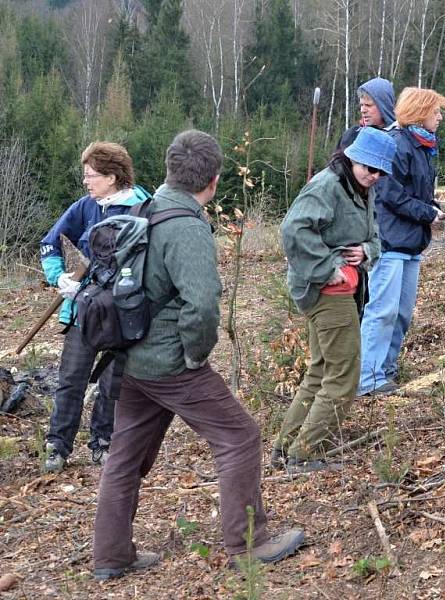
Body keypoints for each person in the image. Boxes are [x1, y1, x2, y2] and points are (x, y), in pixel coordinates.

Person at [93, 131, 304, 581]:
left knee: (125, 455)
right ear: (212, 181)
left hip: (131, 359)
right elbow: (202, 303)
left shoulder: (146, 209)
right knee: (240, 437)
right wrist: (195, 355)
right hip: (169, 364)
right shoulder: (186, 226)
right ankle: (248, 545)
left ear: (171, 170)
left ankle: (110, 555)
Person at [274, 128, 396, 474]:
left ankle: (286, 448)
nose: (374, 176)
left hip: (345, 290)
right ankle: (305, 454)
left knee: (322, 371)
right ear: (352, 157)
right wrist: (329, 268)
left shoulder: (360, 189)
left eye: (380, 172)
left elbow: (374, 237)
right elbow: (292, 231)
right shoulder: (327, 185)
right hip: (328, 293)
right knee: (344, 376)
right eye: (369, 168)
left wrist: (367, 251)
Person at [40, 142, 148, 473]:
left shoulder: (142, 207)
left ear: (112, 176)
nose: (86, 182)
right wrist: (60, 279)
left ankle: (103, 443)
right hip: (84, 308)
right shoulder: (86, 207)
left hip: (124, 311)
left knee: (113, 382)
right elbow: (49, 242)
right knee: (71, 378)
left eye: (91, 175)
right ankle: (58, 446)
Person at [358, 87, 445, 396]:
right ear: (419, 112)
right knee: (382, 312)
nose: (439, 117)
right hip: (390, 243)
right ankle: (367, 378)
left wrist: (433, 207)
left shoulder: (423, 146)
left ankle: (386, 370)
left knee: (401, 313)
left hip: (411, 244)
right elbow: (389, 193)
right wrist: (427, 213)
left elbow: (415, 193)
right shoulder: (397, 144)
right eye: (435, 111)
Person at [337, 77, 397, 149]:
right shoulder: (351, 136)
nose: (363, 110)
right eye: (361, 105)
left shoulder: (398, 140)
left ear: (384, 106)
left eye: (368, 105)